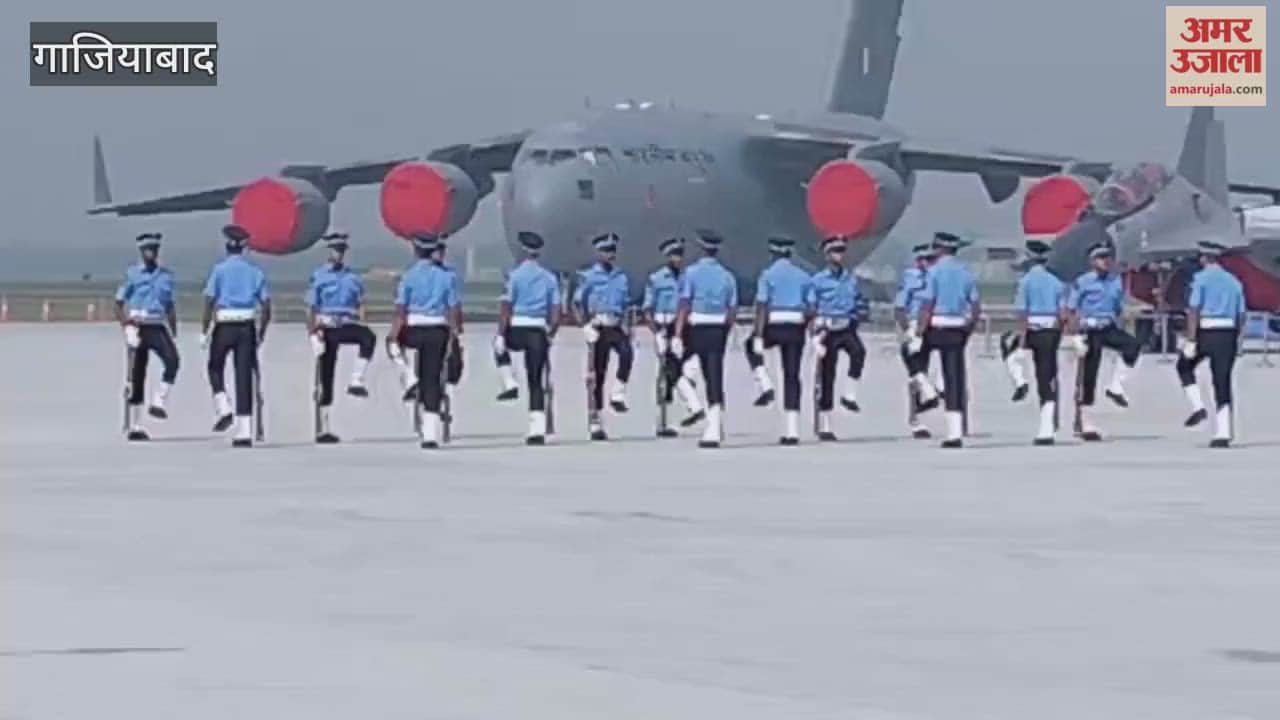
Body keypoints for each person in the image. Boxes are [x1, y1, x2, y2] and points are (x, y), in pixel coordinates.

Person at [200, 224, 271, 448]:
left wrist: (204, 330)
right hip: (246, 325)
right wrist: (261, 332)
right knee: (244, 376)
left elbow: (209, 301)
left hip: (225, 324)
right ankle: (244, 431)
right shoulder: (255, 272)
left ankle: (223, 406)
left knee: (214, 366)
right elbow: (266, 306)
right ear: (244, 248)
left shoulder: (219, 270)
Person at [388, 234, 460, 449]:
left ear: (416, 251)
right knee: (432, 377)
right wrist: (454, 334)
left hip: (414, 329)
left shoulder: (409, 277)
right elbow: (453, 309)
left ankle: (409, 377)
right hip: (438, 329)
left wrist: (394, 334)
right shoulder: (447, 277)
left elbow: (401, 310)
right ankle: (430, 434)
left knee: (392, 345)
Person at [1065, 242, 1141, 441]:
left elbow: (1117, 307)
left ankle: (1116, 386)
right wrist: (1075, 336)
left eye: (1107, 258)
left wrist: (1124, 319)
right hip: (1089, 329)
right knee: (1089, 374)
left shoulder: (1115, 282)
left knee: (1132, 346)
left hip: (1107, 326)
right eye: (1101, 258)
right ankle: (1085, 422)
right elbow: (1071, 309)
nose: (1105, 262)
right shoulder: (1083, 282)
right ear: (1092, 262)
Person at [305, 231, 376, 444]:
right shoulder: (319, 277)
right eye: (335, 250)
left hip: (347, 323)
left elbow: (361, 304)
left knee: (368, 338)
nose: (338, 254)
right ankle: (324, 426)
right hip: (326, 326)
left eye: (341, 250)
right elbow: (311, 308)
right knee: (326, 371)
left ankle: (357, 379)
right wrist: (312, 333)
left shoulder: (353, 278)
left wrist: (363, 319)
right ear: (329, 252)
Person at [494, 231, 563, 445]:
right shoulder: (550, 278)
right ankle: (537, 429)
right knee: (536, 380)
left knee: (499, 348)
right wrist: (550, 333)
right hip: (538, 330)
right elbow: (556, 311)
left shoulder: (515, 275)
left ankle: (509, 381)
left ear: (523, 251)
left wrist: (500, 332)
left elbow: (506, 306)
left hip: (518, 327)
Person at [1176, 240, 1246, 448]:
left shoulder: (1201, 279)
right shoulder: (1234, 281)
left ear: (1204, 258)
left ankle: (1198, 407)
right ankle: (1223, 432)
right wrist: (1239, 338)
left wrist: (1190, 338)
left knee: (1184, 366)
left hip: (1206, 331)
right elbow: (1241, 314)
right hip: (1228, 333)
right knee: (1221, 380)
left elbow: (1194, 309)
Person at [914, 231, 980, 448]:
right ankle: (955, 432)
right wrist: (967, 330)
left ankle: (927, 388)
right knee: (955, 378)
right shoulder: (966, 273)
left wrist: (918, 332)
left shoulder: (933, 273)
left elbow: (927, 304)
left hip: (936, 326)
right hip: (957, 326)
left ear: (939, 249)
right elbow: (975, 307)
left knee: (913, 357)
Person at [673, 229, 738, 448]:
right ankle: (715, 426)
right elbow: (732, 310)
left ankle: (701, 413)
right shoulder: (727, 276)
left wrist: (678, 334)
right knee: (714, 376)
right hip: (717, 327)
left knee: (676, 368)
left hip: (697, 327)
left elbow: (684, 304)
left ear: (701, 248)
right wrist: (724, 332)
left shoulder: (691, 273)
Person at [114, 232, 179, 441]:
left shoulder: (166, 276)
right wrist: (126, 326)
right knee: (136, 374)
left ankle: (159, 400)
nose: (151, 253)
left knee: (173, 361)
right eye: (147, 249)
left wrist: (173, 329)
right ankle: (135, 425)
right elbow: (118, 303)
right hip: (138, 324)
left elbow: (169, 305)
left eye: (154, 249)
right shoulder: (133, 274)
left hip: (157, 324)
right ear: (142, 252)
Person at [573, 232, 634, 441]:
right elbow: (577, 303)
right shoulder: (589, 276)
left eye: (612, 250)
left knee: (627, 354)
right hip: (597, 325)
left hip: (615, 324)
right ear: (598, 253)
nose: (610, 254)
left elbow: (626, 305)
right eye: (606, 250)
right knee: (597, 374)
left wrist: (628, 325)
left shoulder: (621, 276)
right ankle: (595, 419)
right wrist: (584, 325)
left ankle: (618, 392)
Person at [642, 236, 705, 437]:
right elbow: (647, 309)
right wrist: (656, 332)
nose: (677, 259)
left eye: (680, 255)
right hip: (664, 326)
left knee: (688, 367)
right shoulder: (656, 278)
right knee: (667, 375)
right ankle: (666, 421)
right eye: (673, 255)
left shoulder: (689, 277)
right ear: (667, 257)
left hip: (684, 327)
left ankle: (692, 403)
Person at [807, 236, 867, 442]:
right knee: (827, 375)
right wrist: (814, 334)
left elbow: (858, 301)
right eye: (835, 251)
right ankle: (825, 423)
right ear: (827, 255)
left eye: (841, 251)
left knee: (859, 352)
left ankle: (849, 394)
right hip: (827, 327)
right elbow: (812, 308)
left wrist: (858, 317)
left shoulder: (850, 278)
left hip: (846, 325)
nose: (839, 255)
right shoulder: (818, 281)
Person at [1010, 240, 1067, 445]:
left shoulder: (1026, 282)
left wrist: (1023, 338)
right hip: (1051, 330)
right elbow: (1063, 313)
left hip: (1033, 328)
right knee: (1047, 376)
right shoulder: (1056, 282)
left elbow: (1022, 313)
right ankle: (1047, 425)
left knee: (1008, 349)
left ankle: (1019, 380)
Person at [895, 243, 941, 438]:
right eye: (924, 259)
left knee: (937, 366)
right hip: (914, 324)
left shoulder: (938, 277)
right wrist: (908, 331)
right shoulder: (911, 279)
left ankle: (936, 392)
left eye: (931, 259)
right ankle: (915, 420)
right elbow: (899, 308)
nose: (927, 263)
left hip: (935, 324)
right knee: (915, 372)